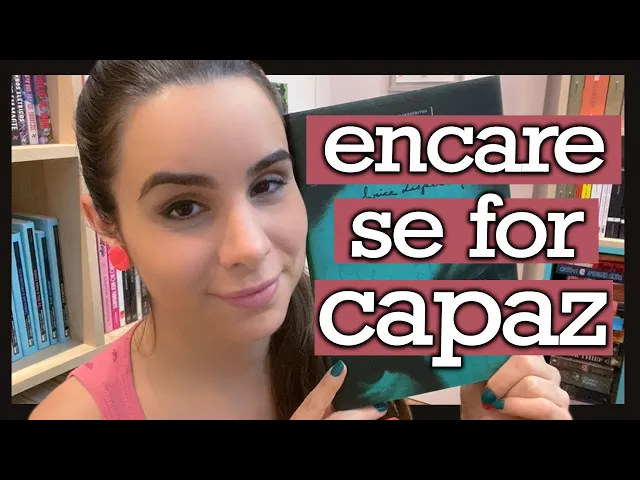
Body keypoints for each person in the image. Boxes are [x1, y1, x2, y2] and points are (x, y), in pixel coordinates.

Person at [29, 61, 572, 420]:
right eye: (183, 207)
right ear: (105, 223)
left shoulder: (365, 329)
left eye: (267, 184)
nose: (250, 247)